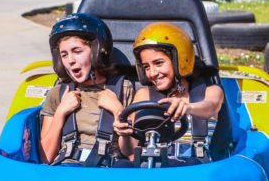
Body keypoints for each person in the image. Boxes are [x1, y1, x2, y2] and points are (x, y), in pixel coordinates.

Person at [116, 22, 224, 166]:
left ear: (179, 60)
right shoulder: (143, 96)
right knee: (122, 165)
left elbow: (211, 107)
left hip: (193, 168)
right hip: (154, 166)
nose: (152, 73)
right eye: (146, 67)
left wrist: (187, 108)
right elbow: (129, 152)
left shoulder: (210, 91)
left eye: (159, 63)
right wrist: (125, 134)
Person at [38, 13, 134, 168]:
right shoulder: (57, 94)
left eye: (77, 51)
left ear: (97, 51)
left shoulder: (124, 89)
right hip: (68, 168)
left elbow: (131, 154)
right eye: (64, 54)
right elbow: (45, 158)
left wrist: (118, 111)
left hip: (110, 168)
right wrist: (61, 112)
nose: (70, 60)